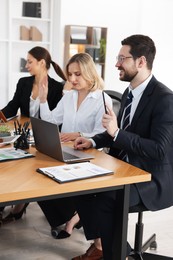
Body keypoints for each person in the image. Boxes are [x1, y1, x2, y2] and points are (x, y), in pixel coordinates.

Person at [72, 34, 173, 260]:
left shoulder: (164, 99)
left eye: (122, 58)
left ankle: (112, 254)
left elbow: (158, 149)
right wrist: (94, 141)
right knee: (78, 188)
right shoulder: (130, 92)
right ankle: (116, 251)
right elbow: (118, 133)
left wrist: (116, 133)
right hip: (124, 169)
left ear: (141, 62)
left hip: (151, 176)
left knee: (106, 201)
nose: (117, 63)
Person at [37, 52, 112, 239]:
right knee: (37, 175)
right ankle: (71, 215)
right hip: (66, 150)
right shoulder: (69, 96)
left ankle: (74, 216)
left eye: (77, 74)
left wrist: (78, 134)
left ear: (89, 72)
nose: (72, 79)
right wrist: (43, 99)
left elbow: (103, 134)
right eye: (70, 74)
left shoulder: (102, 99)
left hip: (90, 156)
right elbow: (50, 120)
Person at [1, 46, 66, 224]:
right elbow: (12, 106)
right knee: (8, 165)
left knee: (26, 166)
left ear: (42, 62)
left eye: (30, 62)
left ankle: (19, 204)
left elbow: (56, 119)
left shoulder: (56, 88)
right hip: (23, 134)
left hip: (45, 138)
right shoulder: (23, 83)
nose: (26, 65)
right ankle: (11, 202)